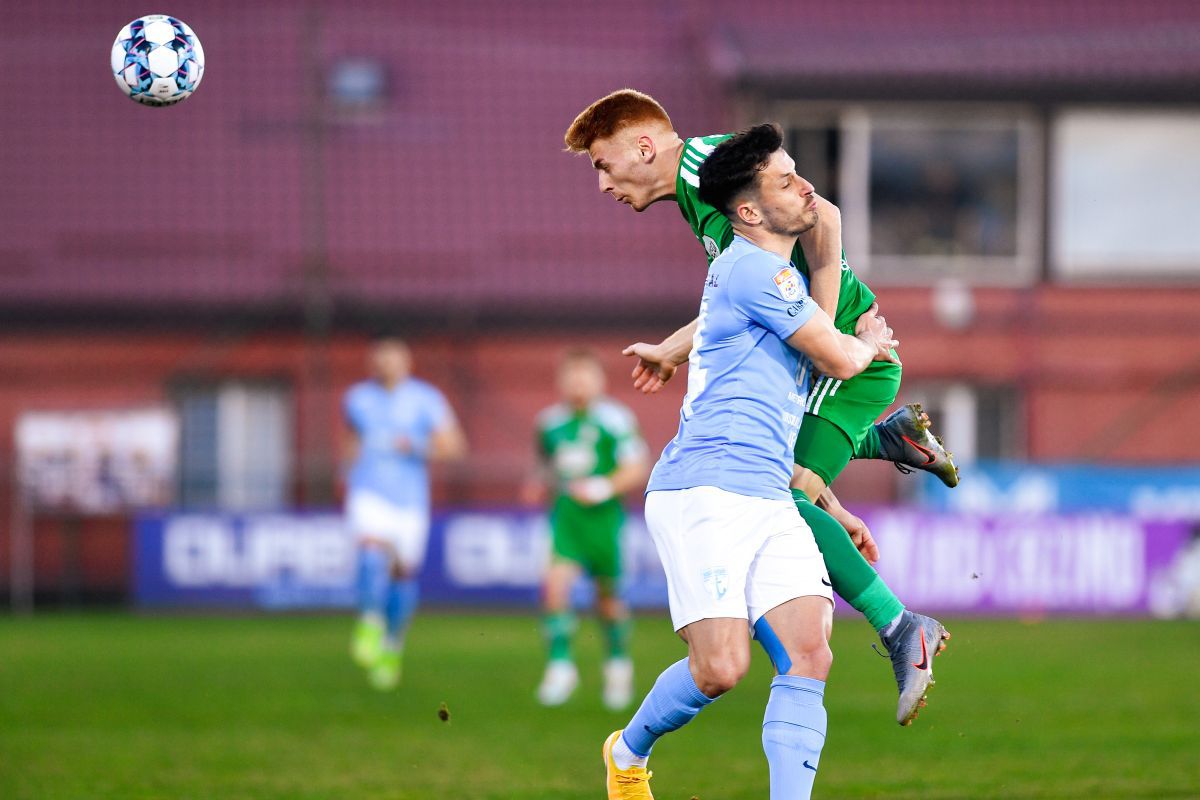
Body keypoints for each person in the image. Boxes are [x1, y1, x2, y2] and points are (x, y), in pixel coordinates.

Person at [565, 90, 951, 725]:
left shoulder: (708, 166)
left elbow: (821, 215)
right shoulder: (696, 199)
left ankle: (901, 627)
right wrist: (672, 348)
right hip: (829, 362)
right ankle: (890, 440)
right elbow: (742, 291)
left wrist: (825, 334)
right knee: (796, 496)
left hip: (850, 357)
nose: (602, 184)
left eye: (603, 165)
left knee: (789, 498)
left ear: (642, 148)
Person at [600, 124, 907, 799]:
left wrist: (827, 503)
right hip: (704, 492)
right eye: (785, 180)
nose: (805, 188)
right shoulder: (749, 269)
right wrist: (869, 342)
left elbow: (786, 410)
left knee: (809, 653)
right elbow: (836, 357)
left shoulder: (775, 279)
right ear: (747, 210)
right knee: (721, 669)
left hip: (767, 494)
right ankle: (626, 752)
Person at [522, 348, 649, 710]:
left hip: (604, 520)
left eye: (585, 374)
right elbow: (546, 465)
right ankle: (561, 667)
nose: (578, 382)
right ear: (561, 380)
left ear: (599, 380)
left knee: (607, 600)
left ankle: (617, 666)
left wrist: (602, 487)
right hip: (566, 518)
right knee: (555, 588)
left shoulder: (616, 420)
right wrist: (537, 482)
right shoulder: (549, 423)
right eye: (572, 375)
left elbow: (636, 467)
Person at [343, 337, 466, 690]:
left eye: (393, 358)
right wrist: (346, 473)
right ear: (372, 362)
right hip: (368, 493)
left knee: (402, 576)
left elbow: (454, 446)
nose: (386, 364)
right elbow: (352, 439)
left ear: (407, 362)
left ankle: (392, 645)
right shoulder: (357, 399)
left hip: (409, 501)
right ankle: (369, 622)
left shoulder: (426, 399)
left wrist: (417, 446)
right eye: (380, 358)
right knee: (370, 554)